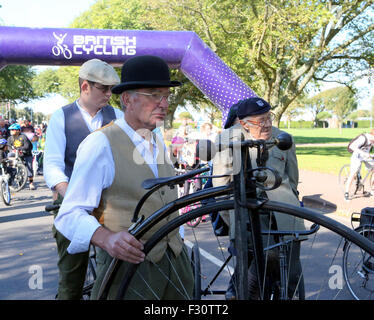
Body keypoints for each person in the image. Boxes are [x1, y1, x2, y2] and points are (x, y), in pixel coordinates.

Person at [54, 55, 193, 300]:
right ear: (128, 99)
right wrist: (106, 239)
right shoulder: (101, 143)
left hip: (176, 269)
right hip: (129, 273)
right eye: (154, 95)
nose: (164, 103)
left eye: (166, 95)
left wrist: (178, 242)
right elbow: (69, 214)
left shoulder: (158, 141)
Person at [43, 58, 123, 300]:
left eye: (112, 89)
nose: (109, 94)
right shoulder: (61, 117)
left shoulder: (117, 116)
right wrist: (72, 194)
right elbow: (53, 165)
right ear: (85, 86)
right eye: (103, 88)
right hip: (71, 203)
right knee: (71, 279)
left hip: (109, 206)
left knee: (113, 274)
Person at [212, 97, 305, 300]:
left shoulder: (283, 137)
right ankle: (241, 289)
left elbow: (293, 178)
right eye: (260, 121)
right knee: (265, 257)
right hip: (247, 210)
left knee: (291, 273)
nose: (267, 124)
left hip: (283, 209)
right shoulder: (227, 139)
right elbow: (220, 186)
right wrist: (231, 218)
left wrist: (292, 202)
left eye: (268, 118)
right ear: (244, 123)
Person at [344, 129, 374, 200]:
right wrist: (362, 153)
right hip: (357, 156)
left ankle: (372, 189)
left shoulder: (372, 139)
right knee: (353, 173)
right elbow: (352, 146)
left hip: (366, 156)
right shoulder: (363, 138)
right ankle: (346, 193)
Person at [7, 123, 35, 190]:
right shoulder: (10, 138)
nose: (11, 131)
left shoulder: (23, 137)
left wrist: (21, 149)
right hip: (16, 154)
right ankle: (10, 178)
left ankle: (31, 183)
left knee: (29, 168)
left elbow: (27, 146)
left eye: (13, 129)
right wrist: (11, 150)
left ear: (18, 130)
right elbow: (8, 146)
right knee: (9, 161)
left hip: (26, 154)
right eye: (11, 130)